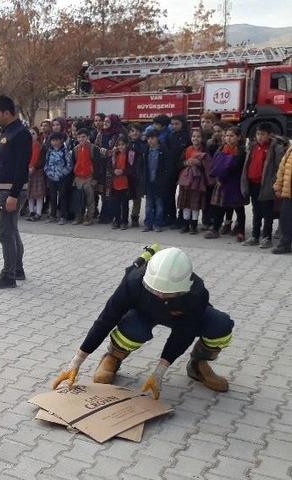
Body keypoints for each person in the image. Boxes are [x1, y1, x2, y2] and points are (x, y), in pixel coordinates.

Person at [53, 247, 235, 399]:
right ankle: (113, 357)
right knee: (132, 329)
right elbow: (106, 319)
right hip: (143, 314)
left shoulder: (197, 293)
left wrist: (159, 372)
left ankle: (198, 365)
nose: (161, 296)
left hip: (180, 319)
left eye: (167, 293)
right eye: (155, 291)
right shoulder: (133, 281)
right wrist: (76, 362)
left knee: (221, 325)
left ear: (184, 287)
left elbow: (184, 333)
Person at [0, 95, 31, 289]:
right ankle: (17, 269)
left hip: (11, 192)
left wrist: (13, 194)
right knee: (12, 231)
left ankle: (8, 276)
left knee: (6, 233)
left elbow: (22, 167)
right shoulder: (4, 132)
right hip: (1, 189)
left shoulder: (20, 133)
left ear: (7, 113)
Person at [240, 123, 286, 248]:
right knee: (256, 211)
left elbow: (278, 167)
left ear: (269, 135)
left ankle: (267, 237)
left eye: (263, 134)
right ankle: (255, 236)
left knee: (267, 212)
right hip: (253, 184)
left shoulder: (275, 148)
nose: (260, 137)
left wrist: (273, 183)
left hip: (266, 185)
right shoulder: (253, 146)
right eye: (258, 134)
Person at [205, 127, 247, 240]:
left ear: (238, 137)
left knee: (239, 208)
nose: (228, 138)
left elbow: (235, 166)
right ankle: (215, 229)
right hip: (221, 182)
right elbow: (215, 164)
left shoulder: (241, 150)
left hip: (235, 183)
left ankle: (241, 231)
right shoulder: (222, 148)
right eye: (227, 136)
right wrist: (218, 178)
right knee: (219, 207)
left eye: (231, 136)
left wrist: (223, 171)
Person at [177, 130, 209, 235]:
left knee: (195, 204)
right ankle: (185, 225)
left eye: (198, 136)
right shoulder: (187, 150)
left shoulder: (205, 150)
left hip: (198, 181)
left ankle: (194, 226)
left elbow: (208, 166)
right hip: (186, 181)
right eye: (194, 136)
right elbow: (179, 163)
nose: (196, 138)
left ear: (202, 138)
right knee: (186, 204)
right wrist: (187, 163)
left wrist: (199, 163)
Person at [71, 129, 102, 226]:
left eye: (83, 136)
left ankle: (89, 217)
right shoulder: (75, 149)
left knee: (90, 199)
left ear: (88, 137)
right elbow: (73, 163)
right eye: (79, 137)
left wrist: (95, 179)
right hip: (78, 177)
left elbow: (97, 165)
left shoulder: (94, 148)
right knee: (78, 198)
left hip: (89, 177)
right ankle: (79, 216)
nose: (81, 139)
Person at [42, 132, 73, 225]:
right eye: (53, 140)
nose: (55, 142)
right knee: (52, 197)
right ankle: (52, 215)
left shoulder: (65, 151)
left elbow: (69, 165)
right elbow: (46, 163)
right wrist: (48, 172)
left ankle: (63, 216)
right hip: (51, 177)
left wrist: (62, 173)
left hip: (62, 178)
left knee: (63, 196)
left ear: (61, 140)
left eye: (57, 140)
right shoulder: (49, 151)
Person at [107, 135, 131, 229]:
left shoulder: (130, 154)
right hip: (115, 183)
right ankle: (116, 220)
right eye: (119, 145)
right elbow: (109, 166)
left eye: (123, 145)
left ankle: (124, 221)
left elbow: (132, 168)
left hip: (125, 183)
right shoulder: (115, 154)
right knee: (115, 204)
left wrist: (123, 171)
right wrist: (114, 171)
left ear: (127, 145)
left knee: (124, 204)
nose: (121, 147)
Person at [125, 123, 147, 228]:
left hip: (138, 175)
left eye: (137, 131)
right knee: (125, 197)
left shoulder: (143, 144)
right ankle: (123, 216)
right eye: (133, 131)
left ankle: (135, 217)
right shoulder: (125, 144)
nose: (135, 133)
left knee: (137, 198)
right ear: (129, 133)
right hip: (126, 175)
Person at [273, 146, 292, 254]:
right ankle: (285, 244)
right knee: (286, 219)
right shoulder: (290, 149)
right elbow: (282, 169)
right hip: (288, 192)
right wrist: (278, 186)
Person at [26, 127, 45, 221]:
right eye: (29, 134)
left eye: (33, 134)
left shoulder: (40, 146)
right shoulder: (26, 145)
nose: (31, 136)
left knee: (38, 194)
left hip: (37, 172)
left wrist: (33, 167)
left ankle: (38, 212)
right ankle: (31, 211)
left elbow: (39, 159)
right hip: (27, 171)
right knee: (29, 193)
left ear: (37, 135)